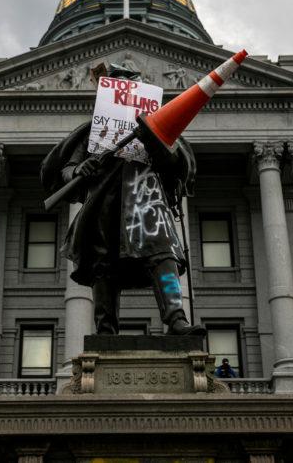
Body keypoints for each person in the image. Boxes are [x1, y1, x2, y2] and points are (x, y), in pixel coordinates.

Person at [40, 64, 204, 336]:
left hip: (146, 205)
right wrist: (80, 170)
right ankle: (105, 331)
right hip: (103, 206)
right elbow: (67, 169)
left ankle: (176, 319)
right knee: (103, 267)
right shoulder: (93, 131)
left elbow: (176, 164)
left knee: (164, 255)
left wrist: (152, 137)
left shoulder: (159, 129)